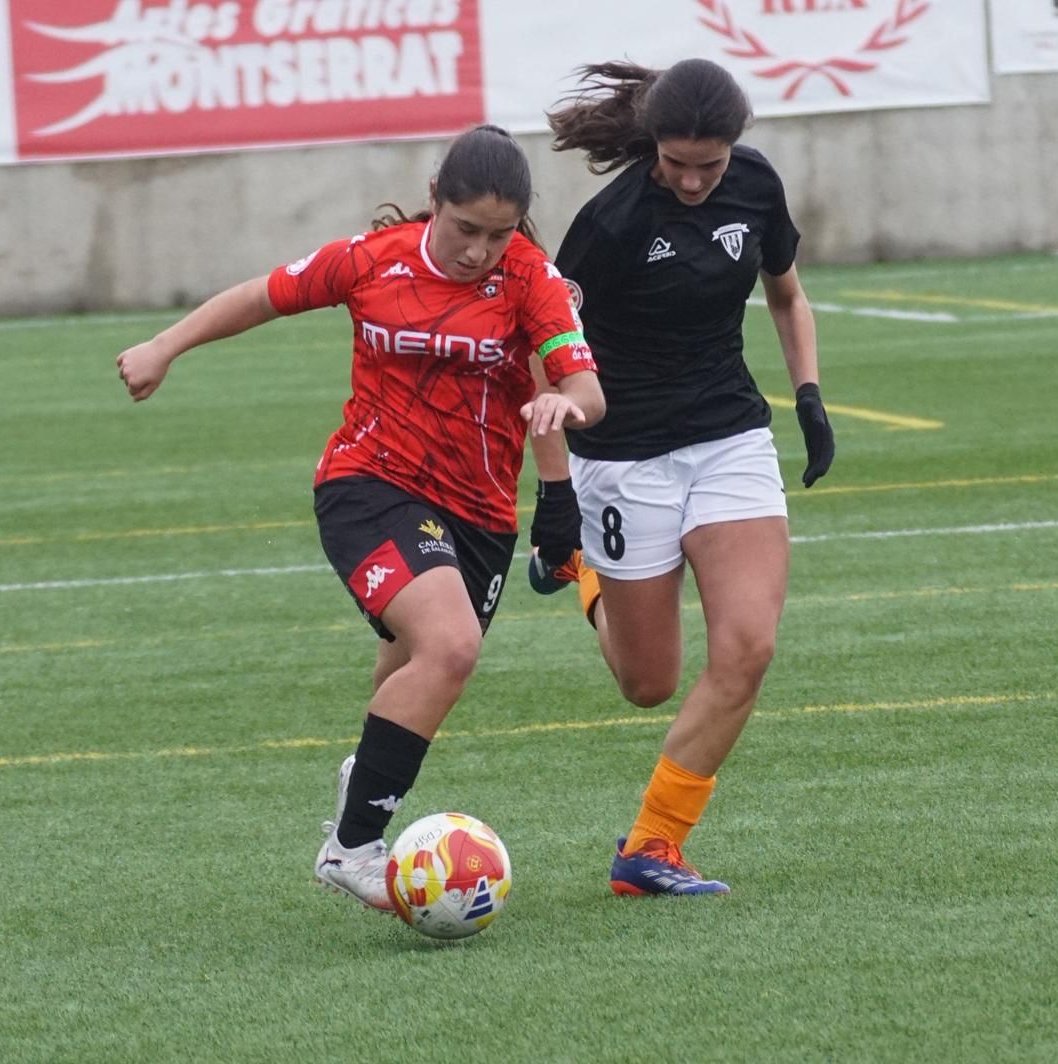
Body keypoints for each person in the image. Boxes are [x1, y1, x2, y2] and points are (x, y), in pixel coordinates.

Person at [116, 124, 605, 911]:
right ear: (434, 201)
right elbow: (263, 295)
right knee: (449, 647)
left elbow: (586, 389)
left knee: (413, 660)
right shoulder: (373, 260)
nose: (480, 250)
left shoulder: (531, 278)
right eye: (465, 229)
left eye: (499, 234)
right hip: (366, 482)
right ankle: (352, 847)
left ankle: (362, 782)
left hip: (478, 513)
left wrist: (562, 405)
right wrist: (164, 346)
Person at [526, 58, 835, 896]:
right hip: (622, 454)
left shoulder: (756, 187)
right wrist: (556, 499)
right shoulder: (612, 223)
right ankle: (583, 566)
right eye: (676, 164)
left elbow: (786, 295)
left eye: (711, 164)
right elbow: (546, 356)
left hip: (729, 436)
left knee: (749, 645)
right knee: (647, 682)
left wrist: (807, 396)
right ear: (652, 147)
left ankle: (651, 847)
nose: (694, 181)